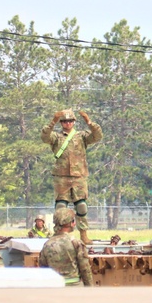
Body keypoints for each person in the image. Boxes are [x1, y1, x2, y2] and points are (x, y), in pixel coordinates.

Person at [41, 108, 102, 245]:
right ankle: (60, 234)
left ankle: (84, 234)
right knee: (61, 207)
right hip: (61, 177)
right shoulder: (56, 137)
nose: (67, 123)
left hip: (79, 177)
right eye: (64, 121)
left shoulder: (82, 136)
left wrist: (89, 122)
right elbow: (45, 137)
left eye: (70, 121)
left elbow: (97, 136)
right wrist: (53, 121)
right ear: (61, 123)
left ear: (74, 122)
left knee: (81, 207)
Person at [38, 208, 93, 287]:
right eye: (73, 221)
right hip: (74, 286)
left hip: (53, 287)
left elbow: (43, 268)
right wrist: (90, 289)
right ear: (70, 223)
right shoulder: (76, 243)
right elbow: (85, 269)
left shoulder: (47, 244)